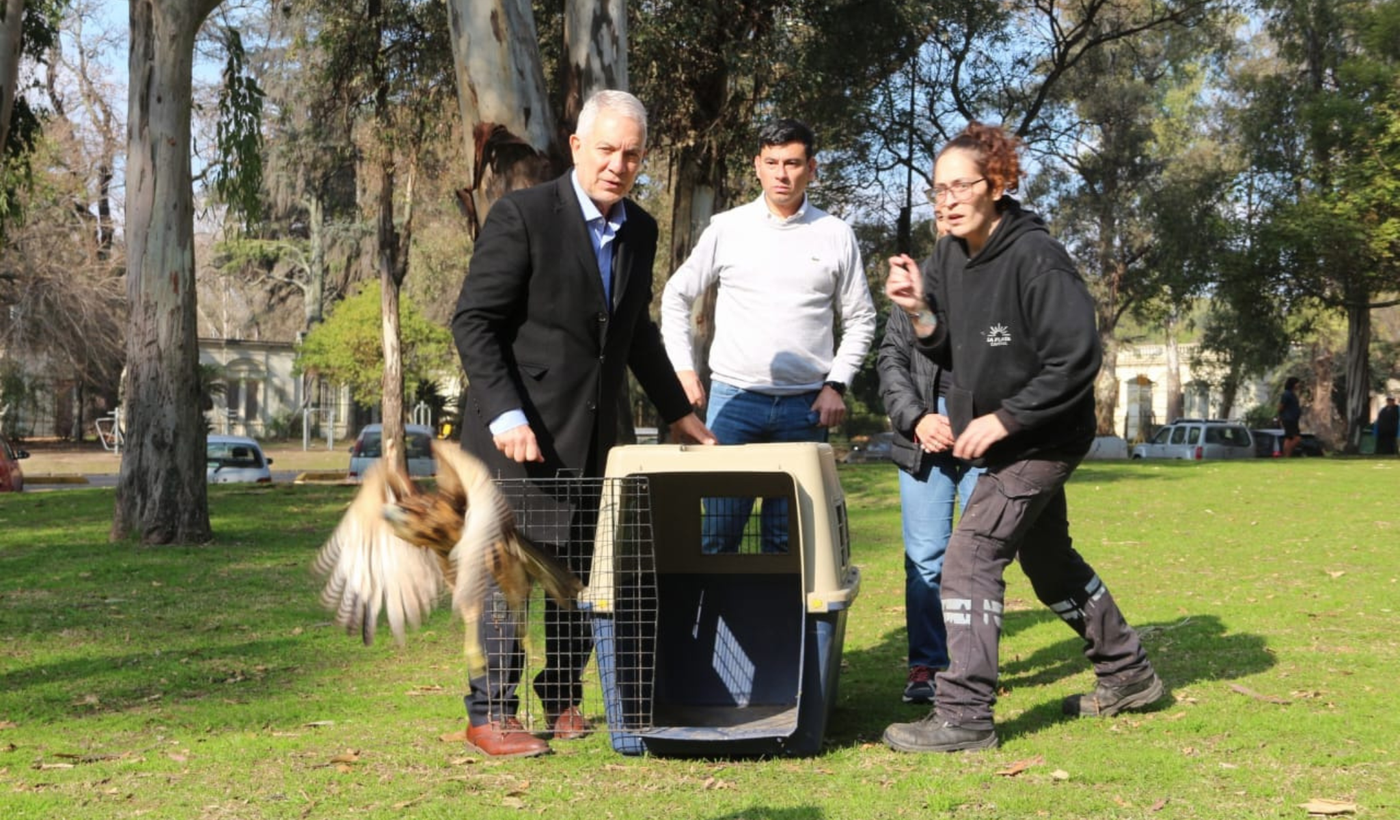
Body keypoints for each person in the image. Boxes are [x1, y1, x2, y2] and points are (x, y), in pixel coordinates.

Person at [882, 122, 1163, 753]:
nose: (946, 200)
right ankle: (1128, 673)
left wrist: (1004, 418)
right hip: (1005, 437)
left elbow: (1076, 357)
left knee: (971, 554)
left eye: (961, 186)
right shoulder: (950, 254)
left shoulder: (1038, 257)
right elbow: (946, 342)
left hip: (1045, 437)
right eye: (938, 189)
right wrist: (917, 310)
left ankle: (964, 715)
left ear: (999, 184)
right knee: (1047, 561)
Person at [451, 89, 715, 758]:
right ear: (576, 148)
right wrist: (507, 410)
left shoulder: (642, 230)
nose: (617, 165)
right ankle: (491, 714)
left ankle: (563, 697)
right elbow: (474, 322)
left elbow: (634, 335)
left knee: (575, 575)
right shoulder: (522, 216)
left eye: (631, 154)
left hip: (596, 436)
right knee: (507, 577)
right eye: (605, 150)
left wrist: (679, 413)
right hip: (514, 434)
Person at [660, 118, 876, 553]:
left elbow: (861, 319)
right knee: (718, 535)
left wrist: (837, 385)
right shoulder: (727, 228)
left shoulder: (836, 235)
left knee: (790, 542)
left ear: (812, 168)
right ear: (757, 166)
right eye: (772, 162)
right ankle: (716, 625)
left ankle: (782, 625)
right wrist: (682, 369)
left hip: (806, 410)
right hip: (734, 403)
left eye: (793, 163)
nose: (782, 173)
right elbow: (674, 296)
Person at [877, 209, 982, 705]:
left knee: (981, 556)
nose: (948, 222)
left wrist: (978, 419)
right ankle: (926, 666)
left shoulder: (998, 280)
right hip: (921, 434)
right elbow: (891, 359)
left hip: (982, 428)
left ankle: (975, 667)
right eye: (939, 214)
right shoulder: (910, 283)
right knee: (925, 559)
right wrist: (917, 418)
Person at [1278, 377, 1303, 458]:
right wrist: (1280, 416)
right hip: (1289, 419)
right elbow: (1281, 406)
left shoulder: (1292, 394)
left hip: (1293, 419)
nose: (1299, 385)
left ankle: (1286, 455)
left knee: (1288, 438)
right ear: (1293, 384)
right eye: (1297, 383)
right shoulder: (1287, 394)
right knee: (1297, 438)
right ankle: (1288, 454)